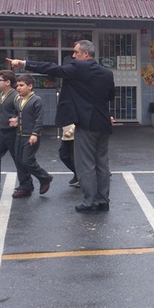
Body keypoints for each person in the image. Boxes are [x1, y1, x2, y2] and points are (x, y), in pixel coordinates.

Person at [8, 40, 115, 214]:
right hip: (103, 122)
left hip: (86, 124)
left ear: (85, 54)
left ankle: (90, 202)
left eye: (75, 52)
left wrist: (24, 63)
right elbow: (110, 96)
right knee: (102, 163)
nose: (73, 56)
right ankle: (103, 200)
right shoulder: (106, 73)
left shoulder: (77, 68)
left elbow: (52, 68)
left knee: (85, 164)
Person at [10, 74, 53, 199]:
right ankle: (25, 186)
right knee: (19, 161)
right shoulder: (18, 99)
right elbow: (20, 114)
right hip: (19, 134)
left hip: (30, 135)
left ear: (30, 86)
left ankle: (44, 177)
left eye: (21, 85)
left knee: (27, 161)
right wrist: (16, 120)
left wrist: (35, 134)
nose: (18, 88)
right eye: (17, 85)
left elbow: (38, 119)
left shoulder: (36, 100)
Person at [59, 124, 80, 188]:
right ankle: (77, 174)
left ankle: (81, 178)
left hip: (74, 136)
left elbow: (78, 119)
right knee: (63, 155)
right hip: (66, 137)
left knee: (75, 159)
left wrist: (71, 131)